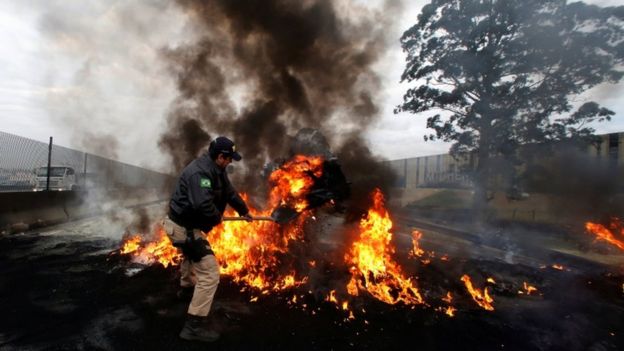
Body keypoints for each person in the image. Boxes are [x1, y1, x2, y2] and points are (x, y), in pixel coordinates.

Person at [162, 136, 252, 343]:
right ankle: (193, 327)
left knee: (190, 255)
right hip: (183, 229)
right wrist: (216, 217)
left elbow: (229, 193)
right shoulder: (199, 173)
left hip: (189, 227)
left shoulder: (217, 170)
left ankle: (185, 290)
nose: (230, 162)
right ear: (221, 156)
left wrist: (243, 210)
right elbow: (201, 205)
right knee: (210, 273)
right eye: (229, 159)